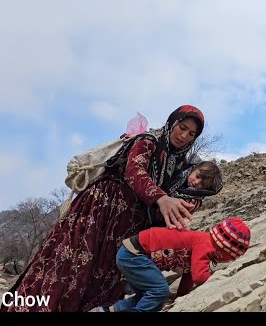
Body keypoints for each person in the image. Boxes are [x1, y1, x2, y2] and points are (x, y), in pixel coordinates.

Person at [3, 105, 206, 312]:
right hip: (100, 211)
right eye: (182, 127)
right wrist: (161, 198)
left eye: (191, 134)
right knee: (73, 268)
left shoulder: (176, 163)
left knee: (104, 278)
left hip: (125, 228)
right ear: (172, 122)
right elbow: (134, 171)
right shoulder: (148, 141)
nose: (184, 136)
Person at [90, 217, 251, 312]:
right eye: (230, 258)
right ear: (225, 250)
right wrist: (217, 283)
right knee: (159, 290)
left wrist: (181, 298)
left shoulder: (203, 246)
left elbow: (189, 276)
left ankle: (108, 310)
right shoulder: (205, 244)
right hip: (134, 254)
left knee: (147, 296)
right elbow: (200, 276)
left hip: (131, 253)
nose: (228, 261)